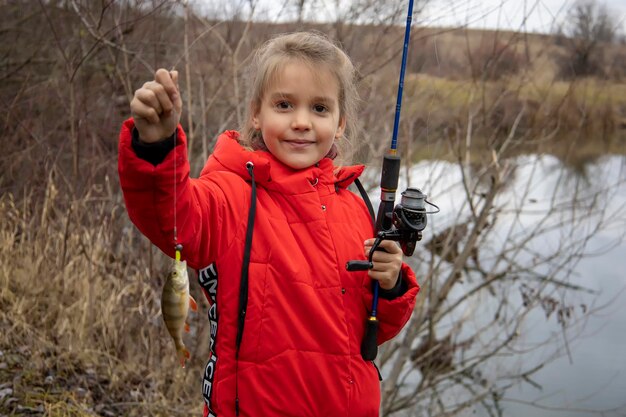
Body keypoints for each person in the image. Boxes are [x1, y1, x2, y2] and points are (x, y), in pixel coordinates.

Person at [118, 31, 420, 417]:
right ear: (256, 115)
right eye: (284, 104)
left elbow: (375, 328)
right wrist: (155, 147)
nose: (301, 122)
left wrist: (391, 285)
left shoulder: (355, 206)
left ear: (340, 123)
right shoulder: (230, 194)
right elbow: (173, 220)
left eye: (320, 109)